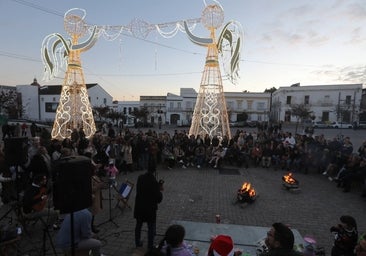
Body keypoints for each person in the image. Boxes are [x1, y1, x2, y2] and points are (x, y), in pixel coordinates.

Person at [134, 163, 163, 249]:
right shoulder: (154, 182)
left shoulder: (140, 177)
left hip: (139, 206)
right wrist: (160, 189)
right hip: (150, 209)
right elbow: (159, 199)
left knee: (138, 225)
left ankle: (137, 242)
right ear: (155, 171)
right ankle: (150, 246)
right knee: (151, 226)